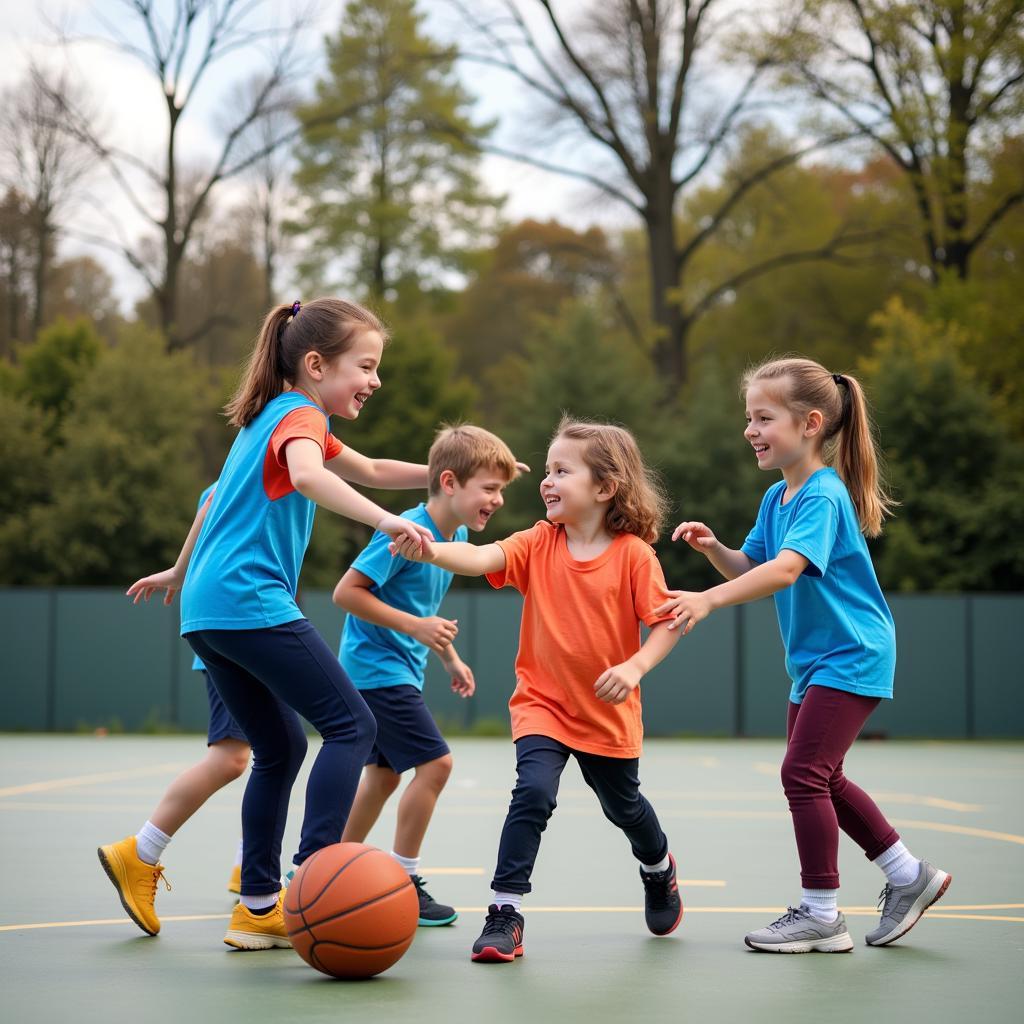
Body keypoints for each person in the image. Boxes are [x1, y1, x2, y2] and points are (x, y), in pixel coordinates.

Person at [102, 298, 434, 950]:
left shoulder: (268, 420)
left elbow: (367, 469)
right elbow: (312, 477)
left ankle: (256, 906)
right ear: (316, 364)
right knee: (353, 725)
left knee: (279, 749)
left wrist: (447, 477)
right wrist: (385, 520)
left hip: (207, 611)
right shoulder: (300, 416)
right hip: (248, 602)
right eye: (364, 366)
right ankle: (314, 877)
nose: (375, 380)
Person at [656, 356, 951, 953]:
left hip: (853, 654)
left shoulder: (821, 494)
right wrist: (715, 548)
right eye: (749, 418)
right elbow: (754, 565)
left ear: (811, 423)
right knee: (824, 777)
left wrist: (708, 601)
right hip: (819, 663)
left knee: (802, 775)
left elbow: (787, 571)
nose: (750, 430)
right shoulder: (778, 497)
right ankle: (907, 875)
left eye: (764, 418)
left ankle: (821, 913)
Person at [392, 416, 684, 963]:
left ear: (604, 487)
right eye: (547, 470)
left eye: (561, 471)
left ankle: (658, 868)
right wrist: (430, 550)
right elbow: (482, 558)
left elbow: (667, 621)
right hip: (541, 703)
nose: (547, 481)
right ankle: (505, 913)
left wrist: (635, 667)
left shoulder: (634, 556)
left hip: (606, 713)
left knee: (625, 808)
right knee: (532, 794)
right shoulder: (537, 541)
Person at [333, 424, 519, 927]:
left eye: (501, 489)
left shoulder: (452, 534)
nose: (498, 500)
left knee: (383, 776)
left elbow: (419, 607)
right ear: (452, 483)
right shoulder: (404, 529)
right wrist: (416, 627)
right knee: (435, 766)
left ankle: (319, 870)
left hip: (397, 670)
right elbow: (346, 593)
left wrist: (448, 657)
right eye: (490, 488)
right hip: (375, 670)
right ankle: (403, 879)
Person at [97, 482, 250, 937]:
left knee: (274, 751)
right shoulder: (261, 454)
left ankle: (252, 864)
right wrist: (180, 572)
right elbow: (209, 506)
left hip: (252, 624)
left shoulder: (286, 453)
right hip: (238, 630)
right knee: (232, 757)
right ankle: (141, 851)